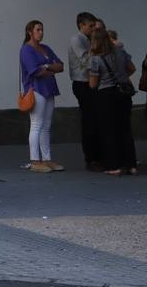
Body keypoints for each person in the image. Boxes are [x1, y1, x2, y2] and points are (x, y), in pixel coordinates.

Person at [89, 26, 139, 175]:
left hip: (106, 96)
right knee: (125, 129)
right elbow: (132, 68)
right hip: (123, 94)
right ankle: (131, 165)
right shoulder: (121, 52)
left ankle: (114, 166)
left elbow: (92, 84)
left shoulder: (95, 59)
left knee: (109, 131)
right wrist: (121, 77)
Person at [20, 20, 64, 173]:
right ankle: (34, 160)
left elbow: (61, 65)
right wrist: (50, 68)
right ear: (30, 32)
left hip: (49, 88)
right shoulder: (26, 49)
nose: (41, 32)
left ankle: (46, 159)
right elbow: (35, 71)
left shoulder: (45, 48)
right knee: (37, 124)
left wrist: (46, 66)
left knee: (46, 125)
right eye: (38, 30)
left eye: (42, 30)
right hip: (36, 89)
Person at [68, 12, 102, 171]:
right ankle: (91, 158)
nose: (93, 29)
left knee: (95, 120)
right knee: (89, 121)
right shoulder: (77, 40)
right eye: (90, 26)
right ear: (81, 25)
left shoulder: (88, 40)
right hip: (83, 83)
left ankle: (97, 154)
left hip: (91, 82)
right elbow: (85, 59)